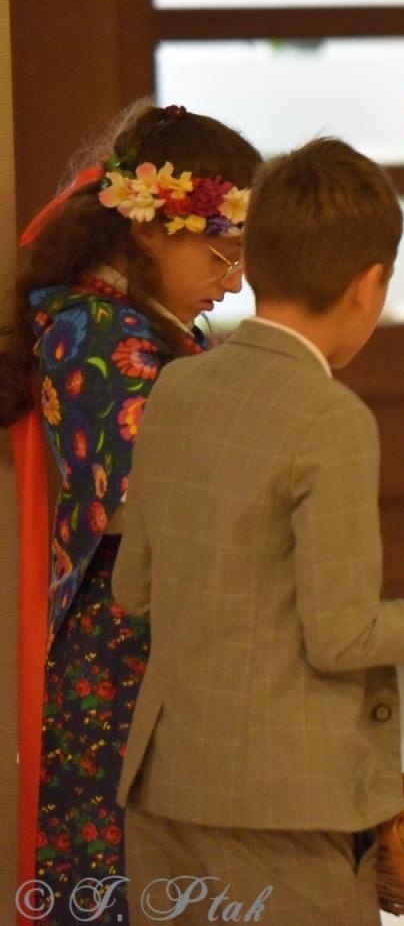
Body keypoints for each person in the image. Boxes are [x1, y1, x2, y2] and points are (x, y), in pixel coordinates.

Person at [113, 138, 404, 925]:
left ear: (253, 264)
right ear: (369, 287)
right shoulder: (330, 419)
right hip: (284, 805)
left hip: (168, 783)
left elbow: (135, 587)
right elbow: (341, 636)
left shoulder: (179, 387)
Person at [0, 103, 259, 919]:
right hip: (124, 639)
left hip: (161, 620)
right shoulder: (90, 328)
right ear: (150, 229)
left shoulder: (147, 324)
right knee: (125, 862)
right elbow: (150, 488)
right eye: (223, 253)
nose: (237, 280)